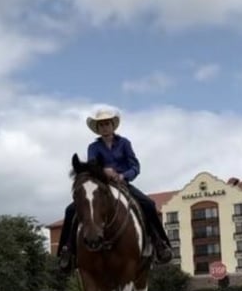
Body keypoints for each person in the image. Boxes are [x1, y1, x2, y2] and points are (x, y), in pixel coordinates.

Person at [58, 108, 173, 272]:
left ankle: (160, 243)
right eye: (101, 125)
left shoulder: (125, 143)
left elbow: (135, 166)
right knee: (70, 211)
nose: (104, 127)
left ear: (113, 126)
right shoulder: (93, 147)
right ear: (97, 129)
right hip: (102, 185)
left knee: (148, 203)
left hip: (123, 183)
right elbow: (92, 166)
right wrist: (104, 171)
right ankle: (66, 250)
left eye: (107, 124)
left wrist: (123, 175)